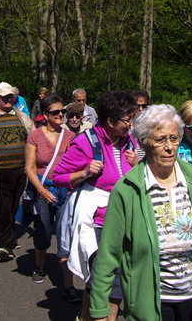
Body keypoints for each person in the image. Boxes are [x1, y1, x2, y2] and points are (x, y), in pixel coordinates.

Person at [89, 104, 192, 321]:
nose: (169, 147)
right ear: (143, 142)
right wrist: (99, 308)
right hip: (149, 304)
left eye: (174, 138)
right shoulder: (127, 190)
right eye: (160, 139)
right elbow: (108, 254)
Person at [53, 91, 140, 321]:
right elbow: (58, 177)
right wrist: (84, 172)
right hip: (99, 222)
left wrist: (138, 164)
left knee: (105, 280)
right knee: (110, 279)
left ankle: (85, 317)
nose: (130, 124)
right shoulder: (85, 142)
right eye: (126, 120)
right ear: (110, 121)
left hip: (127, 219)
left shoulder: (128, 140)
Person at [24, 95, 79, 301]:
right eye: (55, 112)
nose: (61, 115)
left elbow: (77, 164)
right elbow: (29, 168)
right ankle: (39, 265)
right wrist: (42, 190)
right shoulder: (35, 137)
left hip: (65, 192)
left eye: (62, 112)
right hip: (42, 190)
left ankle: (68, 284)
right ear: (45, 115)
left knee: (65, 235)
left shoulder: (70, 136)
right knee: (43, 232)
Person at [0, 81, 34, 261]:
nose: (9, 99)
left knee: (14, 205)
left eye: (11, 96)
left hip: (20, 170)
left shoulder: (21, 117)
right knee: (3, 206)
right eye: (5, 97)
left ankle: (9, 234)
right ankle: (5, 243)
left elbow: (33, 137)